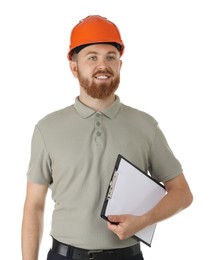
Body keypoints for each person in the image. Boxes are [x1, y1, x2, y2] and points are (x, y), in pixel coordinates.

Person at [21, 15, 193, 260]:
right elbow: (34, 206)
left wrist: (143, 220)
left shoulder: (145, 126)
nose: (103, 65)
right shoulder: (47, 129)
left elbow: (182, 192)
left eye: (110, 57)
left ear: (120, 65)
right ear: (74, 67)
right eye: (92, 57)